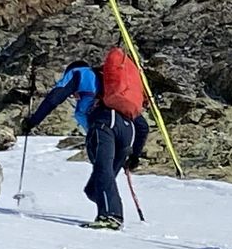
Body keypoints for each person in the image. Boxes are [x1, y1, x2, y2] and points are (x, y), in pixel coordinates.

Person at [23, 59, 149, 230]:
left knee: (103, 171)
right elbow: (143, 126)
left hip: (104, 124)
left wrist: (33, 121)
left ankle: (111, 217)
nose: (74, 96)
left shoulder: (79, 73)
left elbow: (54, 98)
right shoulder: (114, 92)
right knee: (94, 188)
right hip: (127, 130)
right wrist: (135, 155)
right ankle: (111, 210)